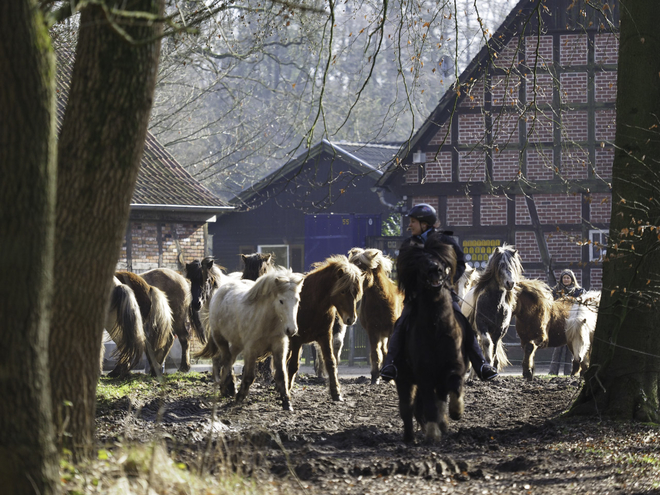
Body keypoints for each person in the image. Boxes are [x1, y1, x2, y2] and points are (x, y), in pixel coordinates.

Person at [380, 203, 499, 382]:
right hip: (418, 296)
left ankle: (481, 365)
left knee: (463, 323)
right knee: (401, 323)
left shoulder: (446, 241)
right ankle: (390, 364)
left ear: (424, 224)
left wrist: (448, 279)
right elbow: (402, 269)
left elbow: (459, 264)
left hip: (442, 293)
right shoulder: (408, 244)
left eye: (413, 222)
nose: (409, 226)